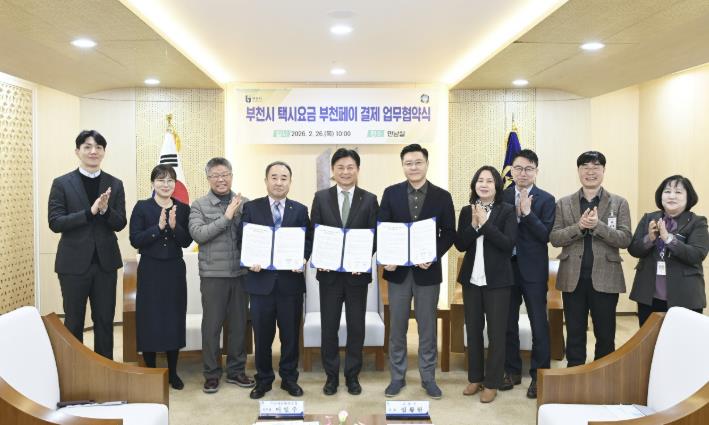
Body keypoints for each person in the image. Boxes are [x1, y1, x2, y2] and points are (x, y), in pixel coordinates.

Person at [379, 144, 456, 400]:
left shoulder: (442, 196)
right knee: (397, 327)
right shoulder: (391, 193)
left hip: (427, 273)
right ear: (403, 166)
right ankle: (397, 377)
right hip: (398, 273)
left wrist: (432, 255)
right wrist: (387, 257)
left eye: (418, 162)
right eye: (408, 163)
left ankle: (428, 378)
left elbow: (449, 233)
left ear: (426, 164)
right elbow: (383, 229)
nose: (413, 167)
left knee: (427, 328)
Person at [48, 130, 126, 359]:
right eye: (87, 147)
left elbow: (120, 223)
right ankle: (76, 370)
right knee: (74, 321)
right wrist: (89, 212)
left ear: (104, 152)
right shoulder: (62, 183)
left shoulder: (115, 184)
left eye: (98, 147)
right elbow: (55, 222)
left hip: (105, 265)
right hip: (73, 265)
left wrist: (105, 210)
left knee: (104, 321)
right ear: (77, 151)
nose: (93, 151)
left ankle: (105, 370)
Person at [550, 151, 632, 367]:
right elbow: (555, 238)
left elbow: (625, 239)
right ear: (578, 171)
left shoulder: (619, 203)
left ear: (604, 170)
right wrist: (579, 227)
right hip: (572, 278)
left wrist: (598, 226)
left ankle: (603, 376)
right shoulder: (563, 203)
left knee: (605, 334)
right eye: (585, 167)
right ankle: (575, 375)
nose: (590, 171)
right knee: (574, 333)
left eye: (596, 167)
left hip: (606, 278)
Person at [239, 161, 313, 400]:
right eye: (274, 177)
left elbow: (308, 240)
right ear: (266, 180)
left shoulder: (300, 210)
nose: (279, 182)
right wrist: (250, 260)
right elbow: (242, 239)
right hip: (260, 283)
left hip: (290, 284)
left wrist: (303, 258)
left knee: (290, 336)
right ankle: (263, 379)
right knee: (262, 336)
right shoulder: (251, 208)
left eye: (284, 178)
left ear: (290, 182)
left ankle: (289, 378)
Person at [310, 148, 379, 396]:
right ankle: (331, 377)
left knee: (356, 327)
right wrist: (320, 257)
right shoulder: (321, 198)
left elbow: (375, 236)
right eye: (340, 167)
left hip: (357, 276)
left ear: (358, 170)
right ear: (333, 170)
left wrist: (361, 259)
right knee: (329, 327)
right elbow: (315, 232)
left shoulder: (369, 199)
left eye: (350, 167)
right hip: (329, 275)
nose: (345, 172)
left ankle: (352, 376)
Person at [188, 157, 255, 393]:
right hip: (213, 275)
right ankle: (211, 373)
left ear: (232, 176)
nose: (221, 179)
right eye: (215, 175)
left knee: (238, 326)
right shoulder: (199, 205)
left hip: (240, 274)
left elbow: (253, 236)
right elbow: (198, 234)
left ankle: (236, 371)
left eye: (225, 174)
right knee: (212, 327)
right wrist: (226, 217)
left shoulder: (245, 203)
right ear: (208, 179)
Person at [455, 166, 517, 403]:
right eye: (480, 180)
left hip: (498, 281)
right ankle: (475, 378)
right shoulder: (466, 210)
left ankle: (492, 382)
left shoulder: (507, 211)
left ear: (497, 186)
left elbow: (508, 244)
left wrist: (486, 224)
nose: (484, 184)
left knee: (496, 333)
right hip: (471, 280)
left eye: (489, 181)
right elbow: (460, 244)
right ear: (474, 185)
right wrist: (473, 226)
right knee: (473, 330)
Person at [129, 165, 192, 389]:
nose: (166, 184)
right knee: (150, 319)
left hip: (174, 271)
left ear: (175, 184)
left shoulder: (183, 209)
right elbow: (135, 240)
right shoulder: (142, 207)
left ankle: (173, 373)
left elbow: (187, 241)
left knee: (173, 318)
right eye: (161, 180)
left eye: (170, 180)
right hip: (150, 270)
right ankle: (153, 372)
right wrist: (158, 227)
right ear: (153, 183)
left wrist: (174, 227)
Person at [501, 149, 555, 398]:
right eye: (518, 168)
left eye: (528, 169)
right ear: (511, 170)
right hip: (506, 268)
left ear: (536, 171)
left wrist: (527, 213)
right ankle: (511, 370)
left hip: (533, 270)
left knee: (538, 323)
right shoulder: (501, 196)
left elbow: (546, 236)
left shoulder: (546, 199)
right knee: (507, 322)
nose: (523, 173)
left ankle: (539, 375)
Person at [628, 175, 709, 325]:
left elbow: (697, 255)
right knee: (650, 339)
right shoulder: (649, 218)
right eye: (667, 191)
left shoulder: (697, 222)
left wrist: (669, 239)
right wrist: (649, 238)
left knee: (682, 339)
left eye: (678, 192)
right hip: (649, 295)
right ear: (661, 196)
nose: (672, 196)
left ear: (688, 197)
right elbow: (634, 249)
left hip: (685, 297)